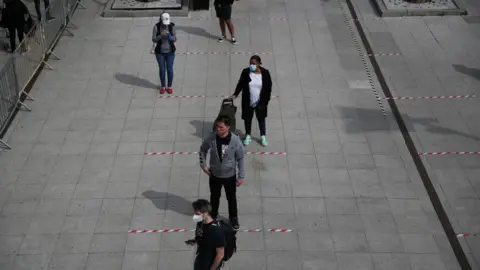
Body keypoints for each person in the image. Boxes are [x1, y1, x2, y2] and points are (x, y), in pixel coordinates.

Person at [199, 116, 245, 229]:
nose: (218, 129)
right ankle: (213, 216)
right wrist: (204, 165)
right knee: (214, 197)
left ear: (228, 127)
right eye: (217, 127)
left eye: (221, 127)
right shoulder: (211, 137)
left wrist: (241, 176)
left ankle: (233, 218)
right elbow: (203, 150)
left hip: (230, 175)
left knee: (231, 198)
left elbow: (240, 158)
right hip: (214, 174)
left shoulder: (235, 141)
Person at [232, 55, 272, 147]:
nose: (251, 65)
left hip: (260, 101)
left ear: (258, 63)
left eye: (253, 64)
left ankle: (263, 136)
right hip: (248, 101)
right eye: (250, 63)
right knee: (247, 119)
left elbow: (269, 87)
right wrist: (235, 94)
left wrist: (266, 100)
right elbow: (240, 83)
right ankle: (248, 135)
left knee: (261, 119)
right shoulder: (246, 72)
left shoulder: (265, 73)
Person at [186, 199, 225, 270]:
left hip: (209, 263)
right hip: (200, 259)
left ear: (206, 213)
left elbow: (220, 254)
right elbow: (201, 236)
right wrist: (195, 240)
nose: (195, 216)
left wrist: (212, 268)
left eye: (197, 214)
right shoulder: (200, 222)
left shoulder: (216, 231)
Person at [152, 13, 176, 95]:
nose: (166, 25)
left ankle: (169, 86)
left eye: (167, 24)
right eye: (164, 24)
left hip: (170, 52)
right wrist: (160, 36)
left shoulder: (172, 26)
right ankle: (163, 86)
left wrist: (169, 36)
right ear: (161, 21)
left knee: (169, 69)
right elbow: (154, 39)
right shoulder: (156, 27)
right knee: (162, 69)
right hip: (160, 53)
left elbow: (175, 39)